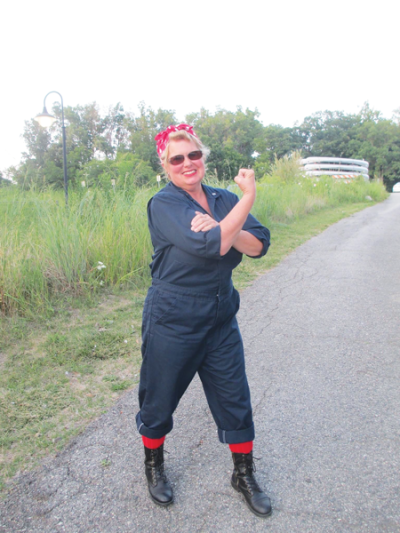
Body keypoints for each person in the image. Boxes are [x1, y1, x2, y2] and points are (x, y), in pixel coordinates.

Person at [136, 124, 272, 518]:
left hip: (220, 315)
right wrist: (244, 204)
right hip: (173, 317)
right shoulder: (164, 204)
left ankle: (243, 474)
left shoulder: (222, 198)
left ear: (203, 157)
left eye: (193, 155)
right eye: (176, 159)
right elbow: (209, 246)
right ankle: (153, 466)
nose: (187, 164)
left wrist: (225, 221)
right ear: (166, 166)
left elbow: (260, 244)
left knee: (236, 398)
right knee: (159, 397)